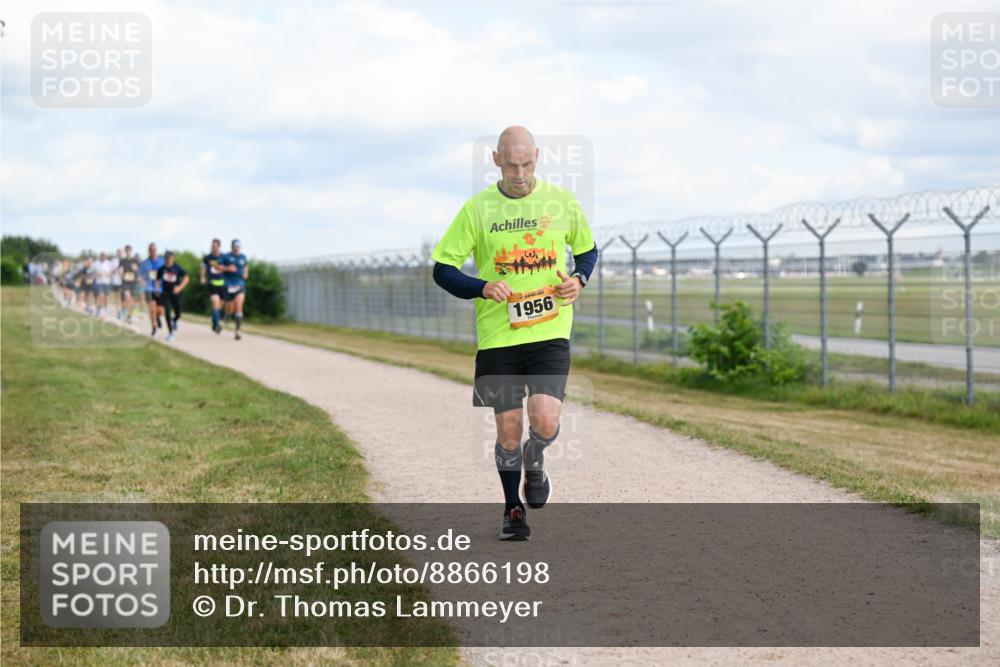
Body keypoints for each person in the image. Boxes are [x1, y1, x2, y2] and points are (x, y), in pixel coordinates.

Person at [431, 127, 598, 541]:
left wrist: (579, 279)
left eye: (526, 164)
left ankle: (535, 455)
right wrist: (482, 287)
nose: (519, 173)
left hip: (549, 333)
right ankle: (513, 508)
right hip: (498, 338)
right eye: (511, 165)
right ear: (495, 160)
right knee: (507, 429)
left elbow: (588, 250)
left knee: (543, 421)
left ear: (537, 157)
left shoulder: (562, 202)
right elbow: (443, 269)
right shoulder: (477, 209)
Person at [219, 239, 249, 341]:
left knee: (239, 307)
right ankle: (227, 316)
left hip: (240, 285)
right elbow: (217, 267)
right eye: (235, 246)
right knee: (230, 308)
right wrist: (227, 268)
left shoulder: (243, 257)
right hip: (228, 286)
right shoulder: (226, 256)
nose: (236, 248)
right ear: (232, 247)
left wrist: (245, 273)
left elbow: (245, 266)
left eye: (238, 246)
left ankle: (238, 331)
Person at [157, 251, 189, 342]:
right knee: (167, 311)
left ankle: (175, 320)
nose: (168, 260)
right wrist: (157, 290)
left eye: (170, 258)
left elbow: (186, 277)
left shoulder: (177, 268)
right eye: (166, 258)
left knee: (178, 313)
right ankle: (171, 333)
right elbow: (157, 281)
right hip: (165, 293)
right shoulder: (161, 269)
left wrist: (179, 287)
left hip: (176, 294)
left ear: (173, 258)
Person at [139, 243, 165, 336]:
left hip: (160, 289)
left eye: (154, 249)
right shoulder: (144, 263)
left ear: (156, 250)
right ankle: (154, 327)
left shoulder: (162, 261)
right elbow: (139, 275)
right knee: (152, 307)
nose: (153, 251)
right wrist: (143, 283)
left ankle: (157, 318)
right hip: (149, 288)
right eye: (151, 249)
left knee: (160, 310)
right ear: (149, 251)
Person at [200, 238, 226, 334]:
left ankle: (214, 321)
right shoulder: (207, 257)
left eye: (215, 246)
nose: (213, 248)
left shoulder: (224, 257)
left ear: (219, 246)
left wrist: (223, 268)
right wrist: (202, 277)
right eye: (212, 246)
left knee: (220, 306)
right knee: (215, 302)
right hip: (212, 283)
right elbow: (203, 266)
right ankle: (218, 324)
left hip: (222, 283)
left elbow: (228, 268)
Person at [118, 245, 140, 323]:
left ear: (131, 251)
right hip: (125, 282)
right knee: (127, 297)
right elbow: (120, 269)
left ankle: (129, 315)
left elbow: (139, 270)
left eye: (129, 250)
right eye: (127, 250)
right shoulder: (123, 260)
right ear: (125, 251)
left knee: (132, 300)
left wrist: (136, 269)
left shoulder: (135, 260)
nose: (128, 252)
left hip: (133, 282)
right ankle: (127, 313)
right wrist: (121, 274)